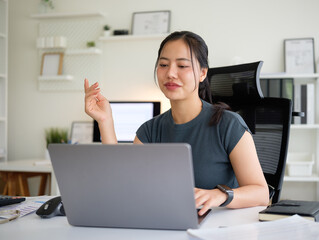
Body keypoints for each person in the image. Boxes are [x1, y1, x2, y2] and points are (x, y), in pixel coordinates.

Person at [84, 31, 269, 216]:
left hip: (217, 228)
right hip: (165, 224)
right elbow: (124, 186)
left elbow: (261, 193)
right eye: (163, 65)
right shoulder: (149, 131)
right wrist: (105, 122)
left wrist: (220, 195)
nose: (170, 73)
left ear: (202, 73)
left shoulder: (229, 125)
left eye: (182, 65)